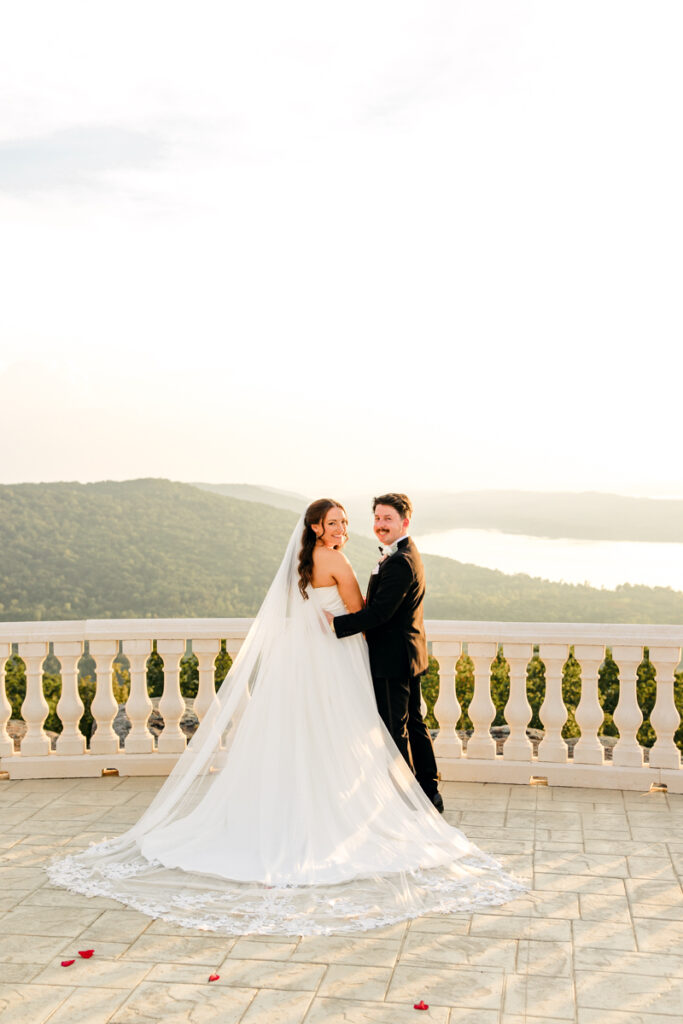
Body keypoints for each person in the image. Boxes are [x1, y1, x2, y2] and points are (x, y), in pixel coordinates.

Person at [47, 498, 523, 936]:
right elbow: (361, 610)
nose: (345, 529)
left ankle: (392, 795)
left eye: (347, 522)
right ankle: (388, 803)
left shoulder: (304, 565)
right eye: (335, 523)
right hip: (339, 659)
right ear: (317, 528)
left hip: (308, 661)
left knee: (316, 734)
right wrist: (342, 618)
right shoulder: (335, 560)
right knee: (358, 733)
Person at [326, 493, 443, 812]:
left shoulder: (401, 561)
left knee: (395, 730)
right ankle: (428, 790)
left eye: (387, 518)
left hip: (393, 658)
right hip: (408, 653)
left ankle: (403, 802)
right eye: (377, 518)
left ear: (405, 522)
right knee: (415, 724)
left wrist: (337, 623)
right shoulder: (403, 553)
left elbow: (380, 614)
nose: (380, 524)